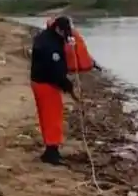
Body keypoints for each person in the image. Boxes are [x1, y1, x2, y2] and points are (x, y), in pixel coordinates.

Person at [30, 16, 98, 165]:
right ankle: (51, 153)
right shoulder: (49, 45)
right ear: (58, 28)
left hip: (44, 81)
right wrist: (69, 88)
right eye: (64, 33)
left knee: (51, 116)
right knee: (51, 117)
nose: (66, 36)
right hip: (45, 83)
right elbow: (54, 71)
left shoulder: (50, 37)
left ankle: (51, 150)